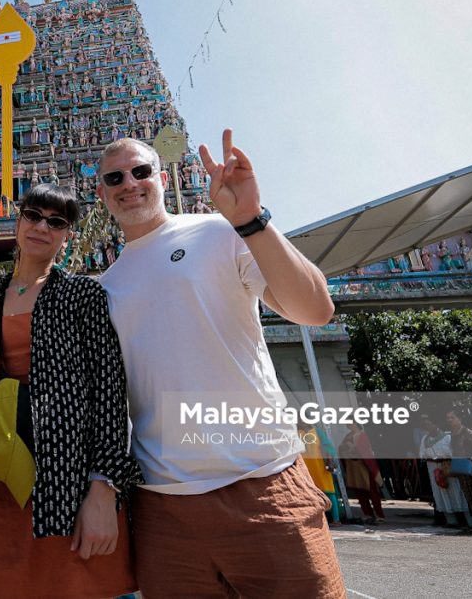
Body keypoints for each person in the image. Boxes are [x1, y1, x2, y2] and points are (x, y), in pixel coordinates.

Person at [95, 133, 345, 598]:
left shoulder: (217, 231)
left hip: (262, 483)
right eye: (115, 178)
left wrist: (252, 219)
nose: (129, 183)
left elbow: (314, 309)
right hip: (162, 507)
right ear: (101, 192)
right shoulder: (103, 287)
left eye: (141, 171)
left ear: (163, 179)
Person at [0, 184, 141, 599]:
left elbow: (110, 392)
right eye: (33, 215)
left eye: (56, 222)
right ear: (18, 219)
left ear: (68, 236)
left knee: (83, 585)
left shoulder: (83, 295)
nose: (42, 226)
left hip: (71, 476)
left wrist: (104, 487)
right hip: (1, 477)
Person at [418, 416, 472, 529]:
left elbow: (450, 452)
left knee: (456, 492)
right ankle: (451, 521)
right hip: (433, 469)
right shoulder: (425, 438)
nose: (427, 427)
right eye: (425, 425)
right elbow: (422, 454)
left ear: (435, 424)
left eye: (429, 424)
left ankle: (469, 522)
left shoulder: (447, 437)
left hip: (447, 467)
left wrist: (438, 457)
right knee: (441, 493)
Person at [339, 423, 385, 524]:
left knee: (372, 492)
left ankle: (379, 515)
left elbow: (365, 450)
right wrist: (345, 448)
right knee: (359, 492)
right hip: (353, 466)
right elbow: (341, 449)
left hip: (364, 466)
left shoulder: (362, 435)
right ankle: (367, 513)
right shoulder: (347, 436)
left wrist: (352, 447)